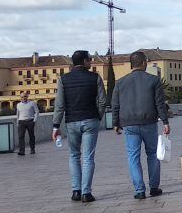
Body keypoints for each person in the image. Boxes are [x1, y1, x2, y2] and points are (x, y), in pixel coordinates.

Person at [112, 51, 170, 199]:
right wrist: (165, 121)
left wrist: (115, 123)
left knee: (133, 156)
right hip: (148, 122)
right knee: (152, 154)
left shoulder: (120, 82)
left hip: (129, 124)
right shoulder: (153, 80)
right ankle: (154, 187)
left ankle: (139, 190)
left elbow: (115, 105)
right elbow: (160, 103)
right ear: (144, 63)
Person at [51, 50, 106, 203]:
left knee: (74, 156)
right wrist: (98, 116)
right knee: (88, 157)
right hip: (90, 120)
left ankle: (76, 191)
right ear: (84, 61)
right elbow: (102, 101)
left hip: (71, 122)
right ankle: (86, 193)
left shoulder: (64, 80)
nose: (91, 62)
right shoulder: (95, 78)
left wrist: (56, 126)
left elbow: (59, 105)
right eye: (89, 59)